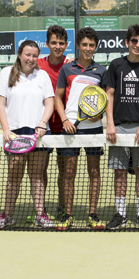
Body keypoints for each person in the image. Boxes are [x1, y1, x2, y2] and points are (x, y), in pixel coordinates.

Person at [0, 40, 55, 229]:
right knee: (14, 176)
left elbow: (49, 103)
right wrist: (5, 129)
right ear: (20, 54)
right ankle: (7, 215)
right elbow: (0, 104)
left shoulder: (42, 76)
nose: (31, 59)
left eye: (35, 55)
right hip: (15, 134)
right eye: (28, 55)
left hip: (38, 133)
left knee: (37, 175)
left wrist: (42, 123)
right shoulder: (5, 73)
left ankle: (40, 214)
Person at [105, 24, 139, 230]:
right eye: (134, 41)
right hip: (118, 127)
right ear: (127, 42)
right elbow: (109, 94)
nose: (138, 45)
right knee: (119, 172)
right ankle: (120, 213)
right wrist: (110, 123)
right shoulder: (116, 65)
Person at [53, 27, 106, 231]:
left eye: (91, 45)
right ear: (78, 45)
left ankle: (92, 214)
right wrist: (65, 119)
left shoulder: (101, 71)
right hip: (70, 129)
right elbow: (58, 97)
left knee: (94, 172)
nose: (88, 49)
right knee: (69, 172)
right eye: (84, 45)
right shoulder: (67, 69)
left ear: (96, 47)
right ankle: (67, 214)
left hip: (93, 129)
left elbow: (104, 99)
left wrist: (99, 115)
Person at [31, 24, 70, 224]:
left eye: (61, 43)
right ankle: (41, 209)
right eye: (53, 42)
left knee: (64, 171)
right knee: (40, 170)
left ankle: (63, 208)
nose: (57, 46)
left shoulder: (71, 65)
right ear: (47, 44)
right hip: (42, 127)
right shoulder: (37, 65)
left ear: (66, 45)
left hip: (64, 127)